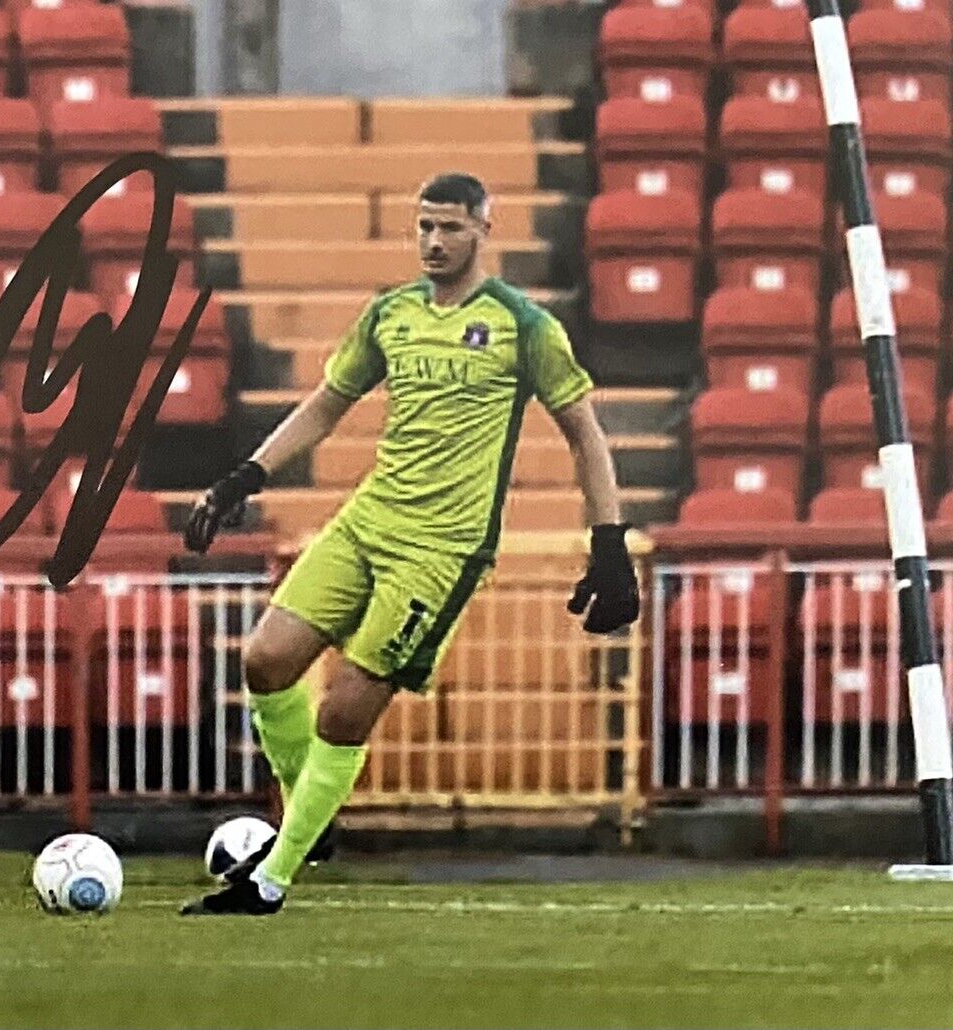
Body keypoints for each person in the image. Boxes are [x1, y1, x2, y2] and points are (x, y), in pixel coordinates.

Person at [179, 172, 639, 915]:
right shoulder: (391, 314)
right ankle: (311, 819)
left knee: (341, 713)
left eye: (451, 227)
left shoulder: (526, 326)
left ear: (486, 228)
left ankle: (271, 880)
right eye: (424, 226)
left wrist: (608, 544)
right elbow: (327, 405)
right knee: (264, 660)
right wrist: (240, 481)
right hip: (368, 521)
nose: (433, 241)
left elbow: (584, 432)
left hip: (441, 550)